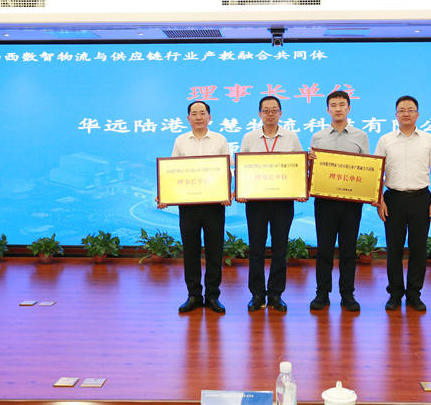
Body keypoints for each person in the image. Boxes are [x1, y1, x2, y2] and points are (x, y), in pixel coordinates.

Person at [157, 100, 232, 314]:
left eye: (202, 113)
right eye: (194, 113)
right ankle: (194, 295)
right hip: (188, 205)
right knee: (190, 251)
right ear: (188, 118)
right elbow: (172, 171)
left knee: (215, 251)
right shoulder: (181, 140)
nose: (199, 117)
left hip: (214, 205)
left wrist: (226, 193)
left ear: (210, 117)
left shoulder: (219, 139)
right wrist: (165, 195)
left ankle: (213, 296)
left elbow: (227, 169)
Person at [374, 95, 431, 311]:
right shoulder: (385, 140)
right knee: (393, 248)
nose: (406, 113)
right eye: (402, 110)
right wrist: (379, 200)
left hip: (421, 199)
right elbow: (376, 172)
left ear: (417, 114)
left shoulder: (429, 139)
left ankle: (414, 294)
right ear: (396, 115)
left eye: (410, 110)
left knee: (418, 249)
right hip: (393, 199)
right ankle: (395, 293)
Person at [237, 96, 307, 313]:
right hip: (256, 202)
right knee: (256, 249)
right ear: (259, 114)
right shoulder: (249, 137)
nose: (270, 114)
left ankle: (276, 294)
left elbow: (300, 166)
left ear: (280, 113)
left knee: (280, 248)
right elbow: (242, 167)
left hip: (282, 202)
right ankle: (257, 293)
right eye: (266, 110)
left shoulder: (291, 137)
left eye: (274, 110)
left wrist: (300, 190)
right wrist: (241, 190)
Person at [308, 90, 370, 312]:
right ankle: (322, 293)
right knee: (324, 249)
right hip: (325, 202)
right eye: (333, 105)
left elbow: (367, 169)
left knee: (348, 249)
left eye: (342, 104)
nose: (338, 109)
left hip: (351, 203)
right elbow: (313, 171)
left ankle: (347, 294)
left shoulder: (361, 136)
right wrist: (309, 162)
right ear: (328, 110)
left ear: (349, 108)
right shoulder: (318, 137)